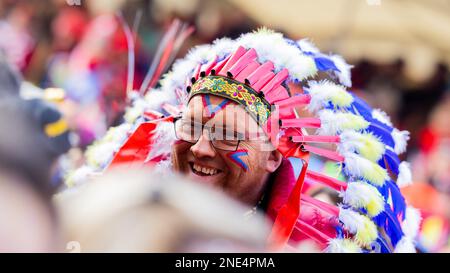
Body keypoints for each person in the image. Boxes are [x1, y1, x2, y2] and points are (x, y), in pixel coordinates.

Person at [72, 28, 420, 253]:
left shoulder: (307, 244)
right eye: (191, 126)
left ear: (273, 157)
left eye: (228, 135)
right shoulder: (123, 205)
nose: (201, 147)